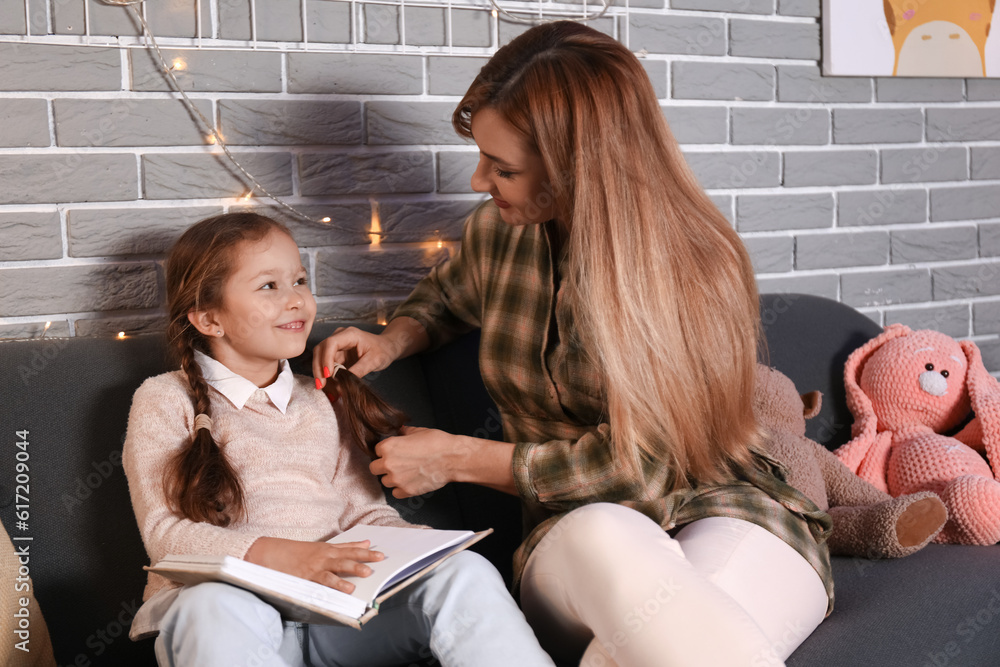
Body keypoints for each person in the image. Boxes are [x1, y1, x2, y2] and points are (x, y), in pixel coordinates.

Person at [312, 21, 834, 667]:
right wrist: (391, 342)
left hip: (727, 507)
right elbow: (448, 298)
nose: (478, 181)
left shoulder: (695, 264)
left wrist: (456, 458)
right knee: (601, 530)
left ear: (579, 168)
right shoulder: (499, 232)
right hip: (576, 538)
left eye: (502, 168)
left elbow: (638, 467)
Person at [122, 213, 556, 667]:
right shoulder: (164, 398)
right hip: (233, 618)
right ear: (209, 318)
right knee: (212, 605)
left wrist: (416, 549)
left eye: (300, 280)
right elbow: (165, 536)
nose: (295, 300)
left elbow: (362, 511)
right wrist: (285, 556)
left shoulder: (321, 400)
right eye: (269, 286)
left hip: (335, 616)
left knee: (465, 572)